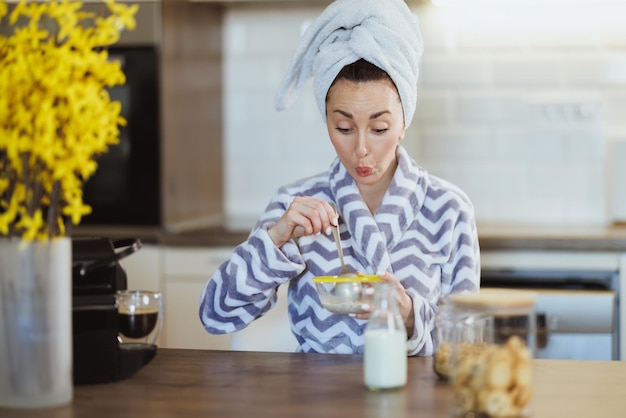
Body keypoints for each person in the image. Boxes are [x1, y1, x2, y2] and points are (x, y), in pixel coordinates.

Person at [199, 0, 480, 356]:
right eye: (344, 127)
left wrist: (410, 314)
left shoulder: (448, 208)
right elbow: (214, 316)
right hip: (318, 401)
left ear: (404, 121)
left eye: (379, 127)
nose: (361, 148)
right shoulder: (296, 206)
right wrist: (274, 240)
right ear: (327, 120)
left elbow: (468, 346)